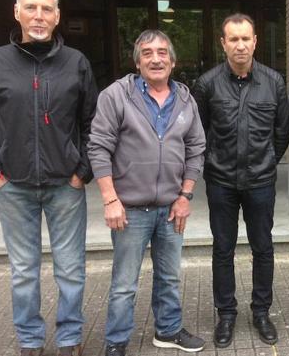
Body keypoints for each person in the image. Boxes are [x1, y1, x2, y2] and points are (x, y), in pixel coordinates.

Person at [0, 0, 97, 356]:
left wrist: (82, 171)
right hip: (13, 186)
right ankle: (30, 340)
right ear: (17, 13)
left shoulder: (76, 63)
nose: (39, 16)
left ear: (57, 17)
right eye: (31, 8)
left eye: (46, 9)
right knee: (24, 272)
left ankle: (70, 338)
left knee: (70, 269)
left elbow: (93, 121)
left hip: (65, 185)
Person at [88, 30, 206, 356]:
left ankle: (167, 331)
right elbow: (98, 148)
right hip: (129, 208)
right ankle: (116, 342)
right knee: (124, 284)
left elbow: (196, 148)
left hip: (171, 206)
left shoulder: (185, 99)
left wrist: (186, 196)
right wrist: (110, 199)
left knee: (169, 277)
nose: (156, 59)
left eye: (163, 53)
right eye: (148, 53)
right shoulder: (115, 95)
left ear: (173, 60)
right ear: (137, 60)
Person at [192, 13, 289, 348]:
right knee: (223, 249)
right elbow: (198, 134)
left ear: (255, 40)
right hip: (221, 182)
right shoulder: (206, 85)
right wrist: (212, 166)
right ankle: (227, 313)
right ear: (223, 43)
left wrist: (266, 162)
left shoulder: (274, 82)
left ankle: (261, 312)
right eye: (233, 39)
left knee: (263, 248)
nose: (240, 45)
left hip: (261, 181)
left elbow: (281, 133)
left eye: (246, 38)